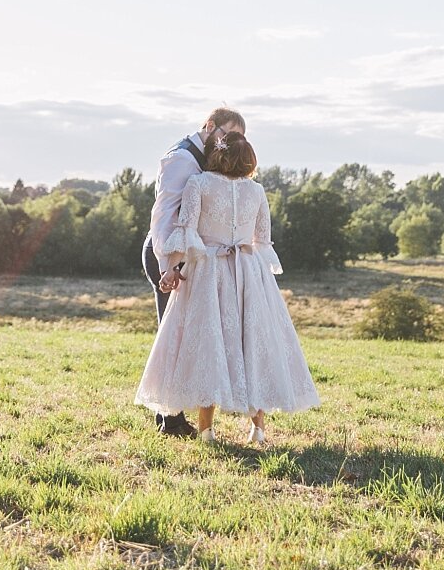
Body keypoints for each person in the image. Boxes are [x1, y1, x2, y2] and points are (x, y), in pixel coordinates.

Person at [135, 131, 320, 443]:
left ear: (216, 155)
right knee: (251, 344)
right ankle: (258, 430)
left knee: (210, 343)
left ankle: (206, 431)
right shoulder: (258, 191)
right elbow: (262, 241)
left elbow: (187, 231)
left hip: (208, 271)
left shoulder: (199, 184)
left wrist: (172, 269)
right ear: (249, 160)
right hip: (248, 273)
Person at [141, 108, 245, 436]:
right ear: (210, 126)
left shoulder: (205, 159)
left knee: (185, 334)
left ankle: (174, 417)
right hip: (168, 255)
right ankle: (169, 421)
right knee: (173, 335)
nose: (229, 142)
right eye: (227, 134)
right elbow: (163, 217)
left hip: (190, 258)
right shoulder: (182, 160)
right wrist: (167, 267)